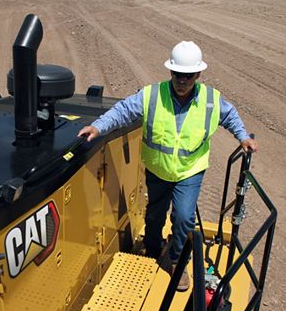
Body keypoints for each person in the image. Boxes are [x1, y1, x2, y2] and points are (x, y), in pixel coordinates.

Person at [78, 41, 258, 291]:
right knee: (154, 215)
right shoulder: (152, 95)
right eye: (177, 75)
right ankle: (153, 251)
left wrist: (243, 137)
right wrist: (98, 127)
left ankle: (175, 260)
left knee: (184, 216)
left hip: (189, 170)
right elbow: (123, 111)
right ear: (170, 72)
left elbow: (229, 116)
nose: (181, 81)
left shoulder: (210, 100)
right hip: (158, 169)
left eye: (188, 76)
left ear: (198, 75)